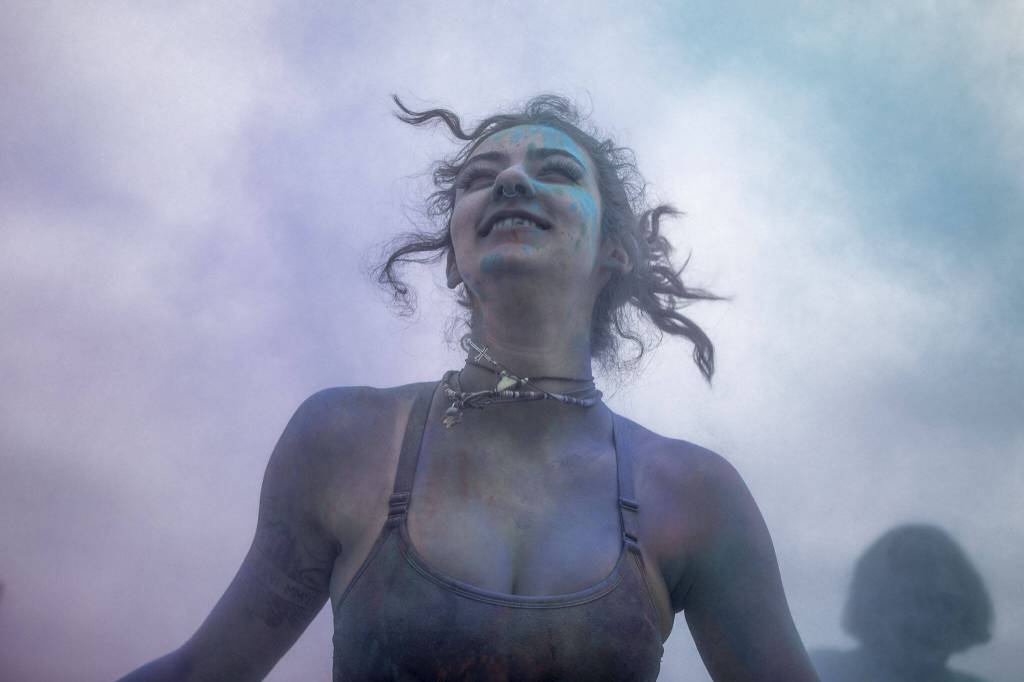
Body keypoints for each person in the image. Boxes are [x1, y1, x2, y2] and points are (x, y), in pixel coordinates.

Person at [119, 95, 818, 681]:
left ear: (615, 251)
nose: (510, 182)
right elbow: (200, 673)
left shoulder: (694, 495)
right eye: (479, 177)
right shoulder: (346, 441)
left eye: (556, 172)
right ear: (454, 255)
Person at [812, 524, 994, 682]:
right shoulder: (815, 671)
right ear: (872, 605)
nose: (927, 620)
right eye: (912, 600)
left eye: (945, 604)